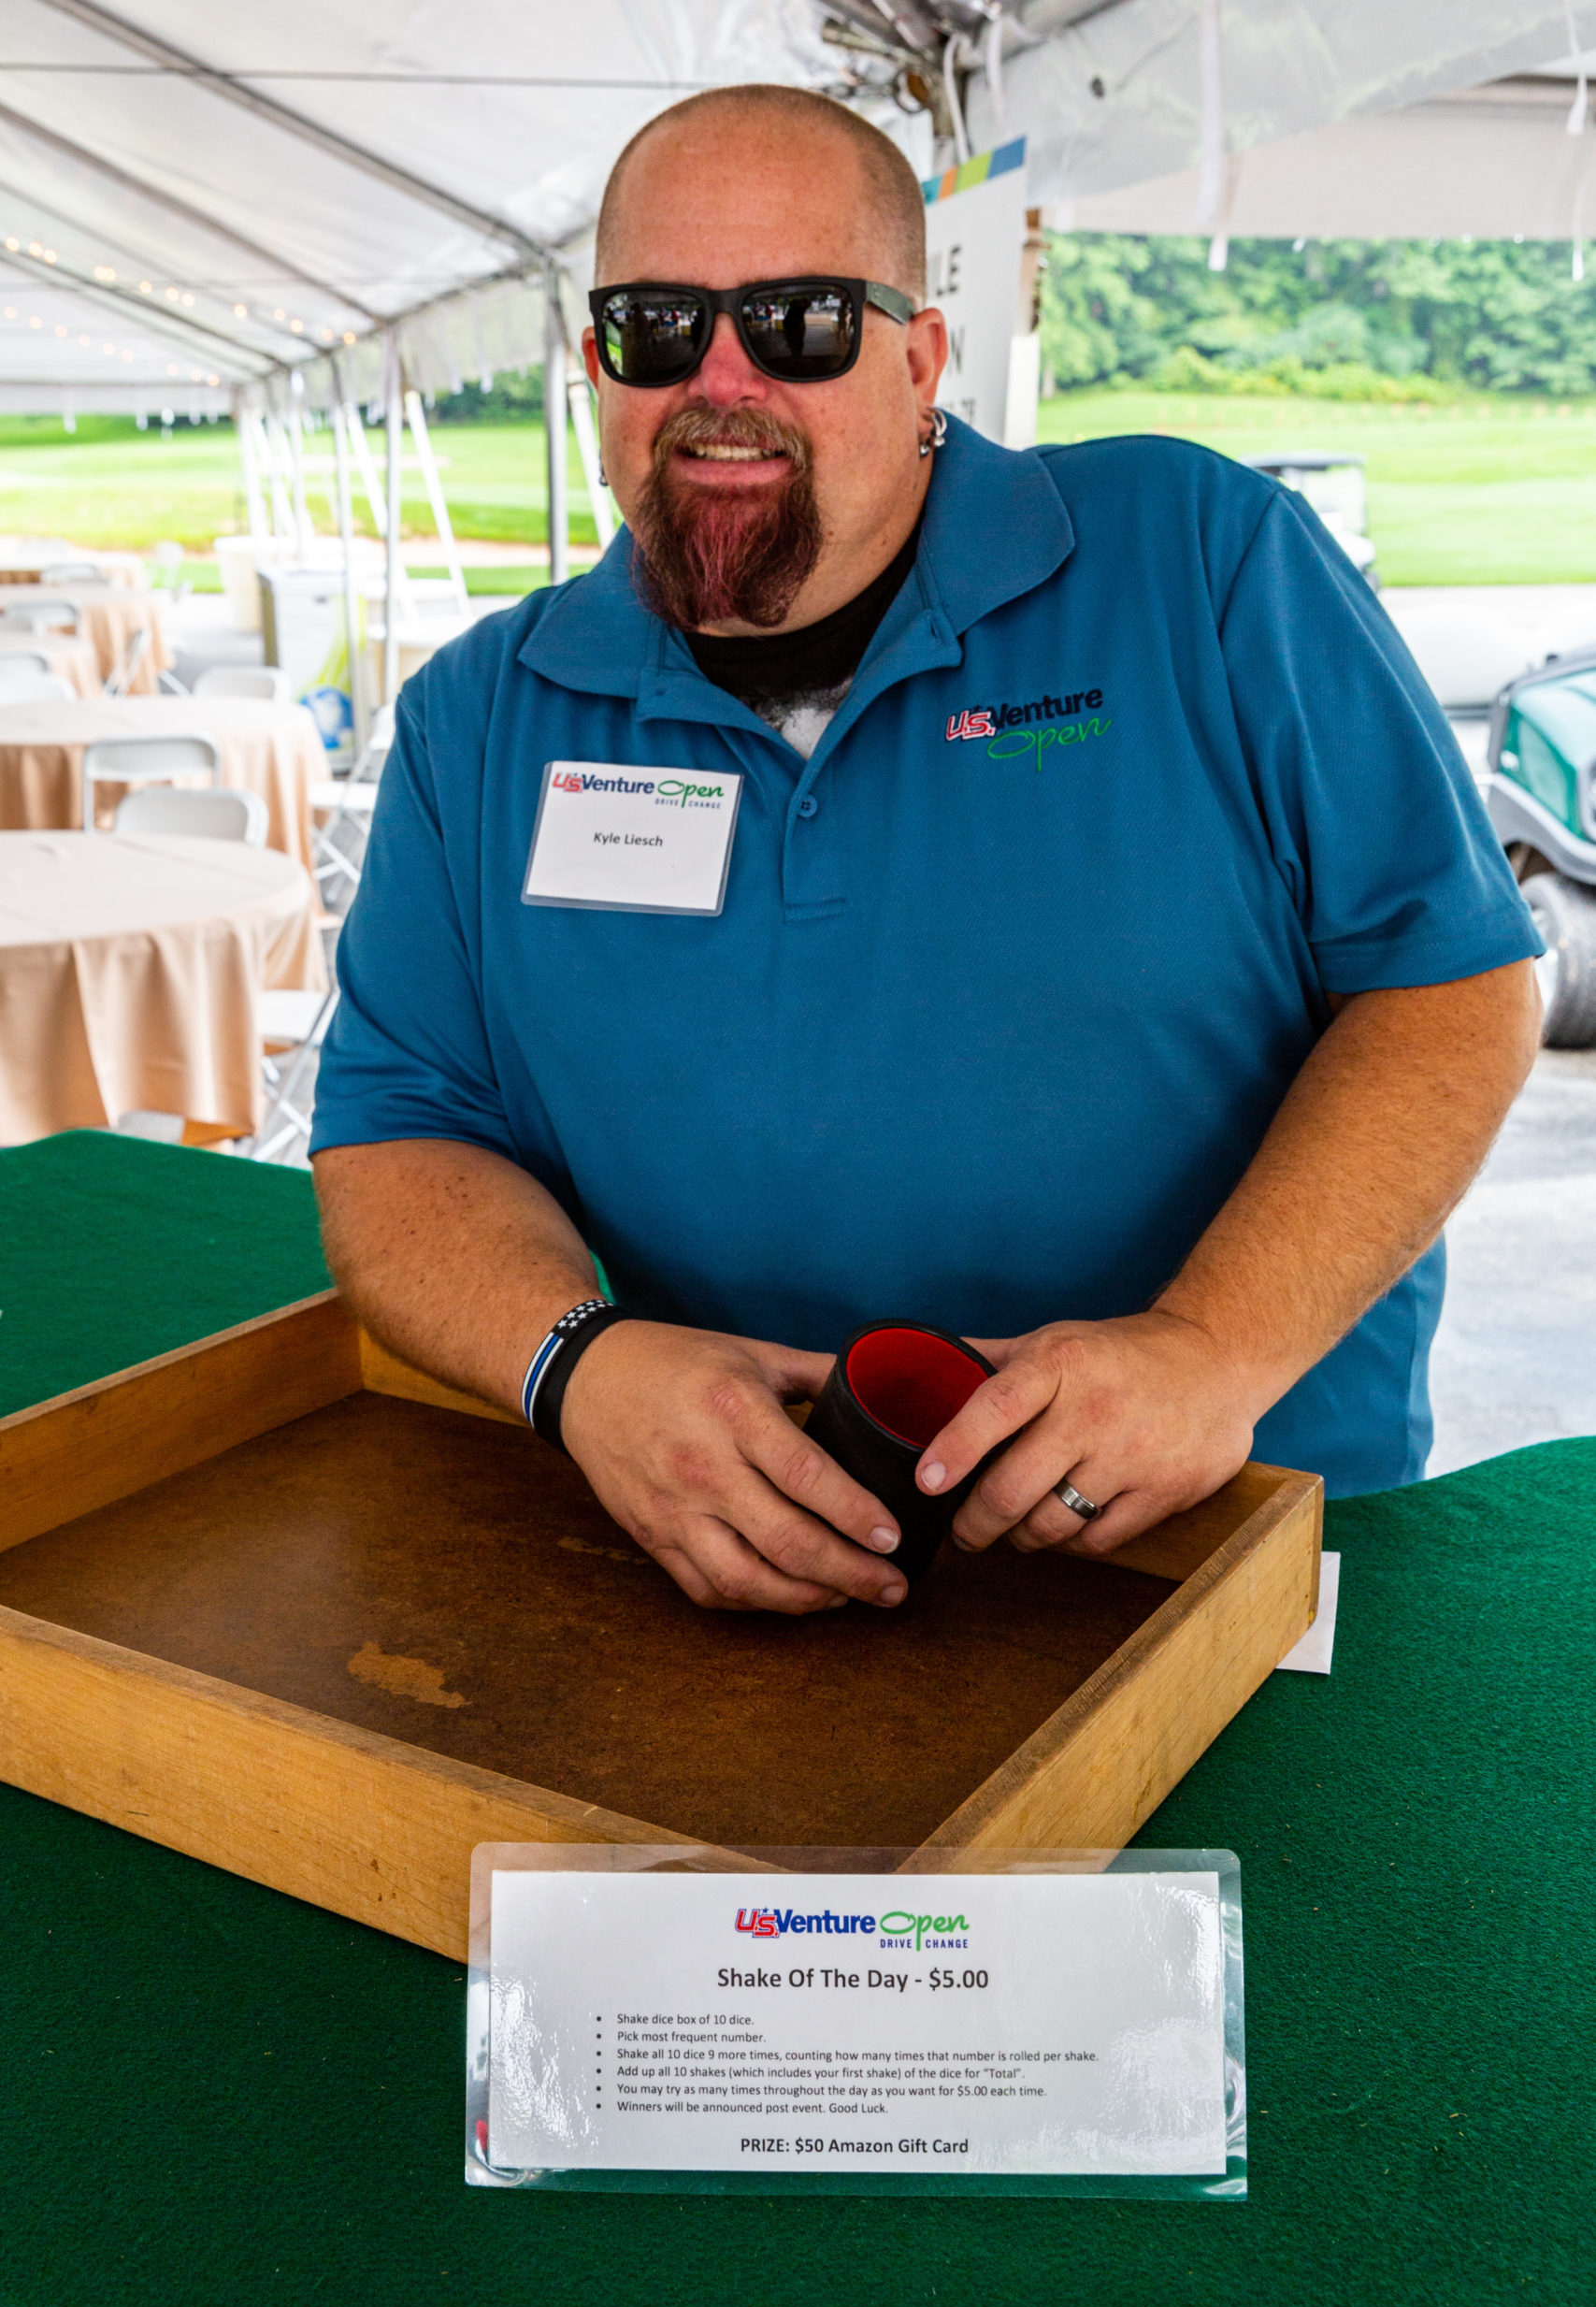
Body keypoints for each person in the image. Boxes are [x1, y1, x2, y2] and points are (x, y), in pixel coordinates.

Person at [309, 83, 1541, 1620]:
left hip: (1234, 1529)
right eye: (658, 328)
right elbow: (399, 1135)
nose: (722, 382)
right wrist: (580, 1366)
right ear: (598, 365)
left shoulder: (1201, 560)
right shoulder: (481, 716)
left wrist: (1212, 1350)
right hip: (722, 1552)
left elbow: (1451, 985)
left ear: (919, 359)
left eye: (802, 324)